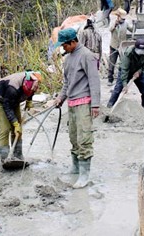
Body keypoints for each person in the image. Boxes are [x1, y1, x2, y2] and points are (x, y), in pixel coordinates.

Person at [54, 28, 101, 189]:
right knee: (73, 137)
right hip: (72, 103)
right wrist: (61, 97)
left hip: (84, 102)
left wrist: (95, 104)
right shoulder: (68, 59)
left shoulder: (87, 56)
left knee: (84, 138)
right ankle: (75, 168)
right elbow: (67, 83)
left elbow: (94, 80)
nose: (63, 48)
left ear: (73, 42)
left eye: (65, 45)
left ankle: (84, 175)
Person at [0, 71, 42, 166]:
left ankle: (18, 155)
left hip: (14, 100)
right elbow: (7, 108)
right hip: (0, 100)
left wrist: (29, 101)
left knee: (18, 131)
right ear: (23, 86)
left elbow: (32, 90)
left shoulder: (33, 81)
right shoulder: (12, 89)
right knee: (5, 129)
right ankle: (5, 158)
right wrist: (15, 124)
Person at [107, 38, 144, 110]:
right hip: (126, 71)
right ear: (135, 48)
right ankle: (110, 106)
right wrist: (125, 85)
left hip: (138, 71)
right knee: (118, 89)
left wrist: (139, 72)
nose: (140, 52)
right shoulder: (129, 53)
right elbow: (124, 69)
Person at [107, 8, 131, 86]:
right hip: (113, 46)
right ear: (118, 17)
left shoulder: (126, 24)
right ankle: (110, 79)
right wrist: (115, 25)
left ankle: (122, 79)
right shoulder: (113, 23)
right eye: (122, 19)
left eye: (124, 19)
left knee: (123, 63)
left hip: (122, 47)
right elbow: (110, 29)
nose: (123, 20)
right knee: (112, 63)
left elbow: (132, 29)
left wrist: (135, 25)